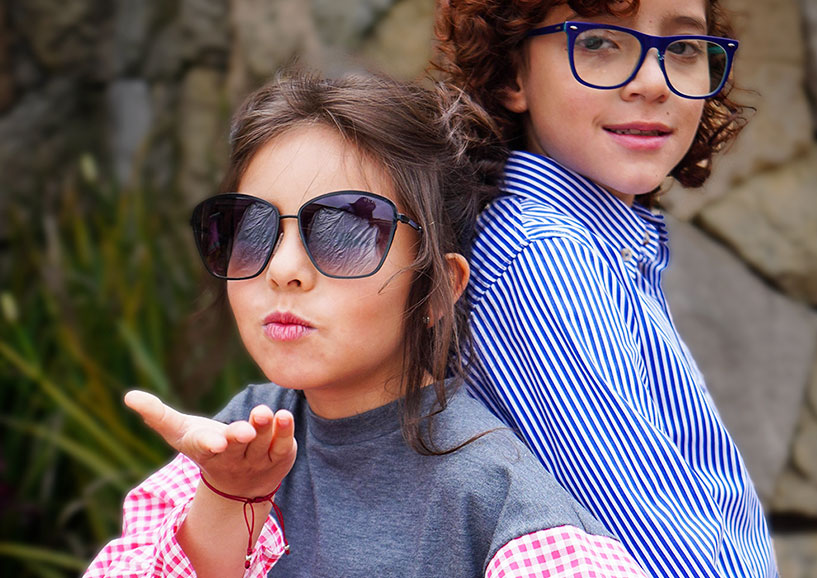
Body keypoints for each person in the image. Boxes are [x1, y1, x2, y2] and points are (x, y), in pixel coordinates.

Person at [82, 71, 651, 578]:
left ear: (437, 288)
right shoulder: (240, 437)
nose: (282, 270)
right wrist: (228, 496)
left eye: (345, 232)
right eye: (249, 229)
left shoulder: (498, 502)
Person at [434, 1, 779, 576]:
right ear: (511, 74)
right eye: (597, 42)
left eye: (685, 48)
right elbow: (661, 549)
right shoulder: (542, 259)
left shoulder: (602, 250)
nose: (651, 81)